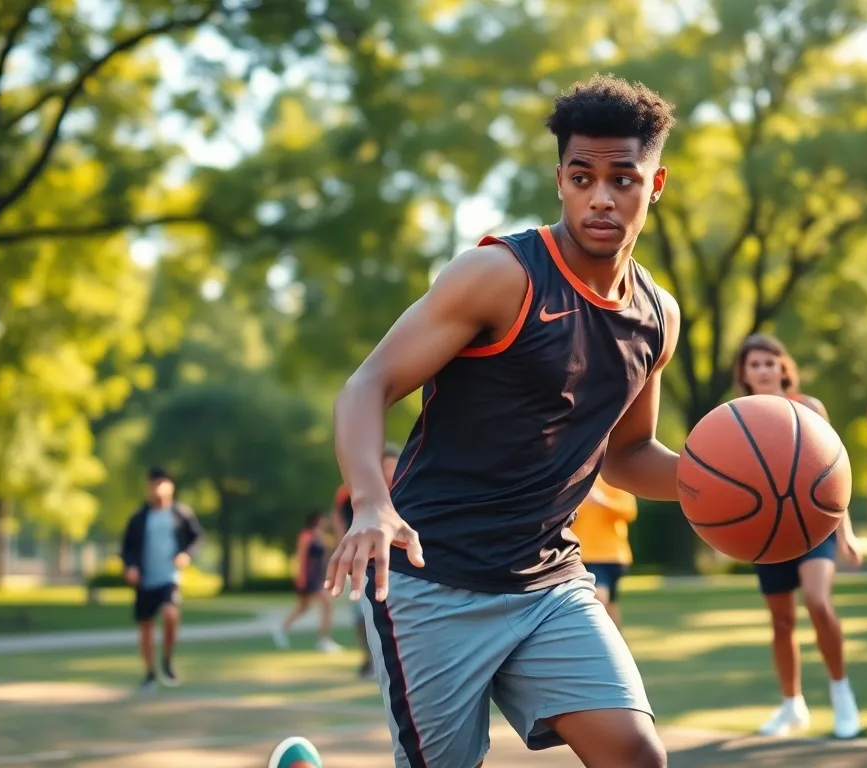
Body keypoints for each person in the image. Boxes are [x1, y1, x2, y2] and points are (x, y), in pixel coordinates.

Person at [273, 74, 684, 768]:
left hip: (550, 583)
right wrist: (371, 505)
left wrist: (717, 483)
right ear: (560, 180)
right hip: (433, 579)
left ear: (656, 184)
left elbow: (630, 452)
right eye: (583, 178)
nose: (602, 197)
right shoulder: (501, 276)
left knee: (638, 756)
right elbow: (366, 386)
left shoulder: (656, 317)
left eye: (623, 178)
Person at [732, 333, 862, 739]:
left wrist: (848, 532)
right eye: (755, 365)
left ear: (783, 367)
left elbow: (834, 472)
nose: (765, 370)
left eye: (771, 362)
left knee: (818, 601)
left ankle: (842, 695)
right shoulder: (735, 418)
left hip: (813, 525)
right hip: (766, 532)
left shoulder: (809, 409)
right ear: (745, 375)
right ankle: (793, 706)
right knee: (782, 621)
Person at [119, 466, 203, 690]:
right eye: (153, 484)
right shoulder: (139, 518)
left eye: (161, 483)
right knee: (145, 626)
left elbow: (196, 539)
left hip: (169, 576)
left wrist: (186, 554)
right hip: (145, 579)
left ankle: (167, 660)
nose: (157, 488)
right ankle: (149, 672)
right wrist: (130, 567)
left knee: (170, 612)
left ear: (170, 486)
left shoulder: (180, 514)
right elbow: (126, 548)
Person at [331, 445, 401, 678]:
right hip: (362, 563)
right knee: (361, 616)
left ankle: (394, 662)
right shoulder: (351, 492)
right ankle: (369, 658)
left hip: (398, 565)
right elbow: (339, 520)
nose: (388, 472)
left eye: (392, 466)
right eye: (384, 467)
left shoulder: (406, 491)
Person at [569, 475, 638, 627]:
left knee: (604, 603)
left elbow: (629, 512)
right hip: (578, 555)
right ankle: (613, 646)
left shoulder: (615, 477)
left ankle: (609, 645)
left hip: (610, 555)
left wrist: (601, 501)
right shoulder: (573, 479)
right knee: (603, 603)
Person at [273, 512, 342, 653]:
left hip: (318, 578)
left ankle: (281, 629)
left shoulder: (320, 536)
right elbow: (301, 558)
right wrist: (301, 579)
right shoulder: (306, 536)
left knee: (303, 608)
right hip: (309, 579)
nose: (325, 522)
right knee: (327, 605)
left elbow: (335, 545)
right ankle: (323, 640)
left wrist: (337, 527)